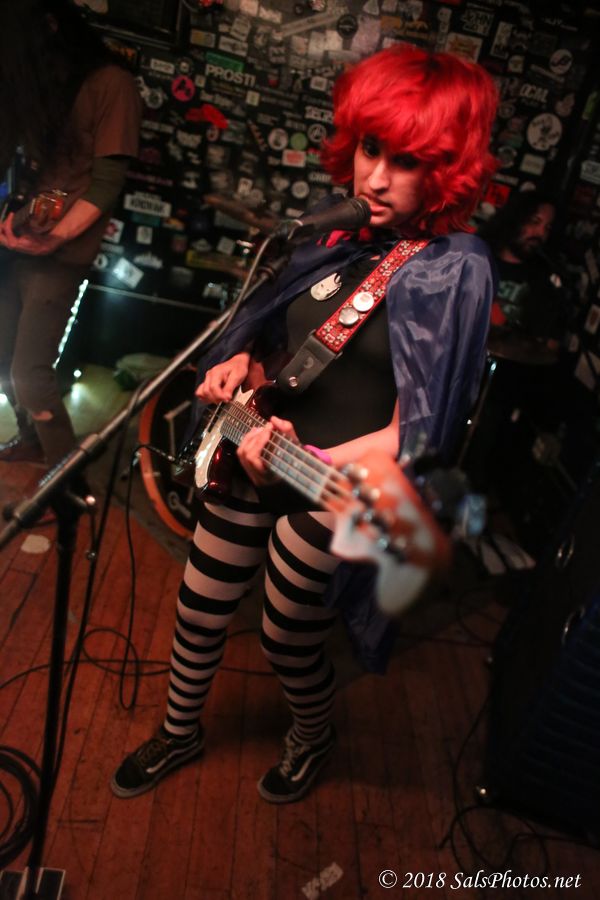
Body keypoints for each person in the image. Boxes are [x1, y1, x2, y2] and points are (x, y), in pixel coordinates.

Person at [111, 44, 498, 804]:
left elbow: (415, 434)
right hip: (262, 446)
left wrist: (306, 453)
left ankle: (313, 736)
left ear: (446, 171)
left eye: (406, 161)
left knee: (287, 634)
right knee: (200, 606)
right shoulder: (338, 231)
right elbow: (276, 332)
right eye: (370, 148)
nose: (374, 178)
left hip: (333, 480)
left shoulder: (455, 268)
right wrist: (239, 360)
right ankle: (179, 730)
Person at [0, 0, 141, 467]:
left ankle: (65, 475)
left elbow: (106, 184)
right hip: (17, 241)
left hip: (57, 254)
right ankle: (32, 440)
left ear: (51, 27)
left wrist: (52, 238)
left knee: (30, 373)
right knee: (4, 359)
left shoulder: (112, 84)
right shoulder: (39, 84)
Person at [478, 190, 565, 351]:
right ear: (515, 220)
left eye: (547, 227)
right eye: (535, 221)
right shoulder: (477, 259)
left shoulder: (545, 280)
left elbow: (548, 345)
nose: (541, 233)